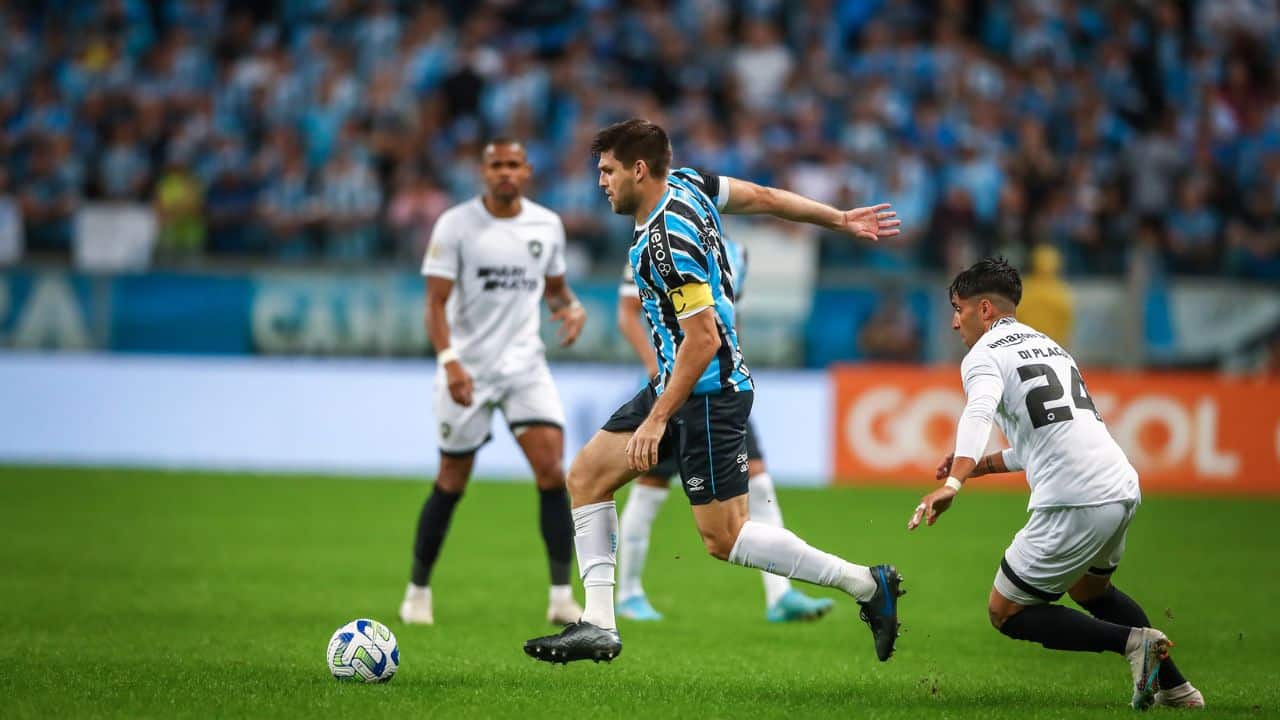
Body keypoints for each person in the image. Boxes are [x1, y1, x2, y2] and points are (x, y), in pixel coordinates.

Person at [523, 118, 903, 664]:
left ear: (638, 169)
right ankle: (599, 624)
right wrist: (837, 218)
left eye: (607, 171)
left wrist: (657, 419)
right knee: (585, 476)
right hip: (680, 382)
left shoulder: (666, 244)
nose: (600, 183)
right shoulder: (688, 183)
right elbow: (764, 196)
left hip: (706, 391)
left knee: (724, 539)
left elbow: (702, 339)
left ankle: (868, 585)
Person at [908, 257, 1204, 710]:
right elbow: (1041, 441)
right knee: (1090, 591)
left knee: (1004, 611)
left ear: (984, 309)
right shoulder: (1048, 346)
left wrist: (953, 482)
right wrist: (979, 467)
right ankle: (1176, 688)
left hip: (1075, 499)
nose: (953, 322)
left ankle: (1133, 643)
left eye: (958, 308)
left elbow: (978, 413)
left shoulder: (984, 355)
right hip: (1120, 486)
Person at [399, 139, 587, 627]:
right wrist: (450, 362)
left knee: (552, 472)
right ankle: (418, 590)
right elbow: (434, 303)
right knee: (450, 483)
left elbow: (555, 288)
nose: (505, 172)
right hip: (468, 371)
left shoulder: (547, 225)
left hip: (525, 366)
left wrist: (570, 307)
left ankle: (561, 596)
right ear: (482, 172)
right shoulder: (456, 225)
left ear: (527, 171)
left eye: (513, 165)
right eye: (496, 165)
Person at [614, 245, 834, 623]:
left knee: (760, 484)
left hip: (721, 390)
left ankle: (779, 594)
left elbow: (728, 319)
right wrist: (657, 372)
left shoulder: (736, 252)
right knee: (651, 487)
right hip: (673, 391)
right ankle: (629, 593)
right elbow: (628, 313)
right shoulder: (657, 239)